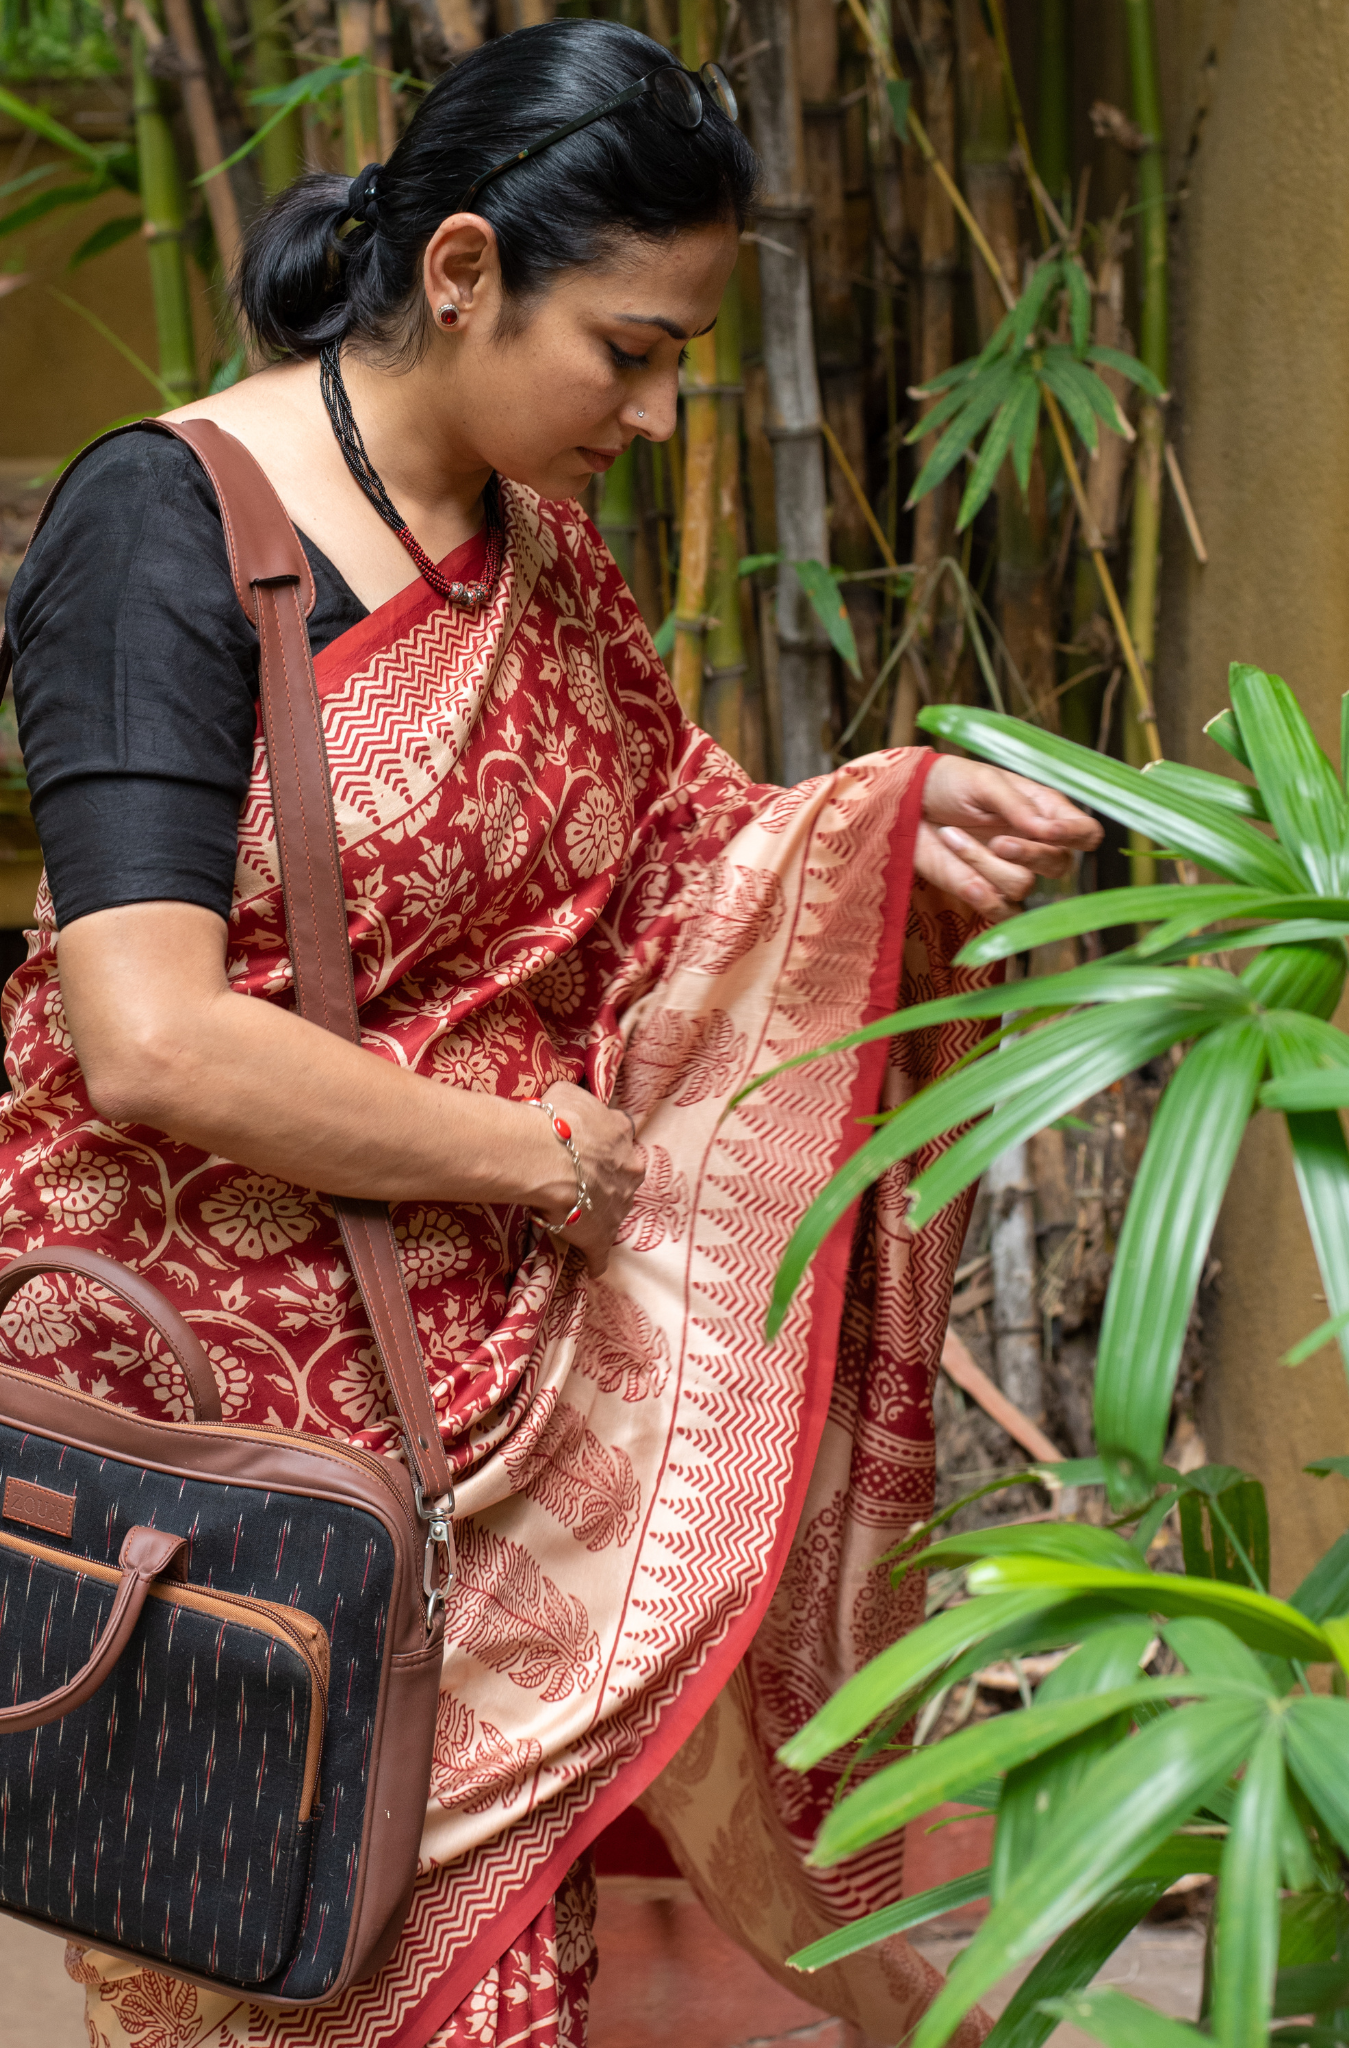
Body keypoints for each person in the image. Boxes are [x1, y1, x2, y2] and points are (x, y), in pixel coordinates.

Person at [2, 19, 1100, 2047]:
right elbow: (144, 1040)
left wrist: (888, 825)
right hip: (254, 1456)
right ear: (460, 273)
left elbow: (684, 854)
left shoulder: (530, 542)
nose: (667, 411)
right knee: (306, 1957)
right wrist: (532, 1159)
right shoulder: (167, 535)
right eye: (631, 345)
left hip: (510, 1399)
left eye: (686, 353)